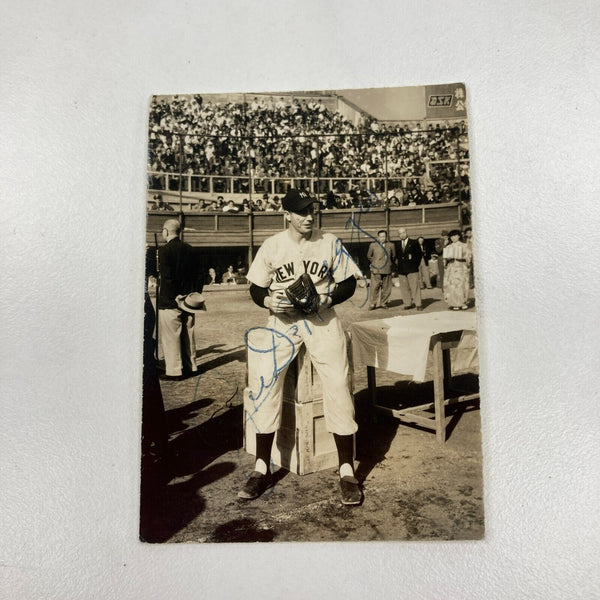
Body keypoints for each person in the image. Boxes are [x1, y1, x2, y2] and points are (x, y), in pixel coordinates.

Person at [242, 188, 363, 505]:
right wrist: (269, 301)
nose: (309, 216)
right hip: (283, 321)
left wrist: (329, 297)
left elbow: (349, 281)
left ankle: (347, 469)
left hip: (322, 317)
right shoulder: (273, 245)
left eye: (312, 210)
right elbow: (255, 288)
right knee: (265, 382)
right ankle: (261, 467)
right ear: (287, 214)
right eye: (301, 211)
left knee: (338, 383)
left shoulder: (329, 241)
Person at [157, 219, 199, 379]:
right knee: (188, 334)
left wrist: (176, 296)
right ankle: (191, 366)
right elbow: (199, 275)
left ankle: (175, 371)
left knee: (171, 337)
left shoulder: (165, 250)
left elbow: (167, 277)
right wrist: (193, 294)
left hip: (170, 300)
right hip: (189, 301)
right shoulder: (190, 249)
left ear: (166, 231)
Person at [395, 227, 423, 311]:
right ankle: (407, 303)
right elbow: (396, 257)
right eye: (400, 233)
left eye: (403, 232)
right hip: (401, 270)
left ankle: (418, 304)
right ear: (398, 235)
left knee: (415, 287)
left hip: (412, 269)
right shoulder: (397, 244)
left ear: (406, 232)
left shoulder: (414, 242)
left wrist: (415, 265)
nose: (402, 234)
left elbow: (419, 255)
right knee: (404, 288)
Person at [443, 229, 472, 310]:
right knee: (452, 285)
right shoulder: (448, 246)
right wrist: (446, 260)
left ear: (459, 236)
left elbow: (469, 256)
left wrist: (464, 258)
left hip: (461, 266)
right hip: (451, 267)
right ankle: (454, 303)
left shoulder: (464, 245)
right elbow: (444, 260)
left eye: (455, 236)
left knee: (461, 285)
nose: (453, 238)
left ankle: (463, 302)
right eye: (451, 236)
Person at [367, 230, 396, 310]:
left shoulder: (391, 245)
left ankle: (384, 303)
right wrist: (375, 263)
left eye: (384, 236)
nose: (382, 238)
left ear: (386, 237)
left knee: (386, 287)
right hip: (376, 269)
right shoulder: (373, 245)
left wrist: (389, 263)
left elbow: (393, 256)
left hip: (387, 268)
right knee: (374, 287)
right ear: (378, 237)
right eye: (381, 237)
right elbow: (369, 256)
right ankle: (373, 303)